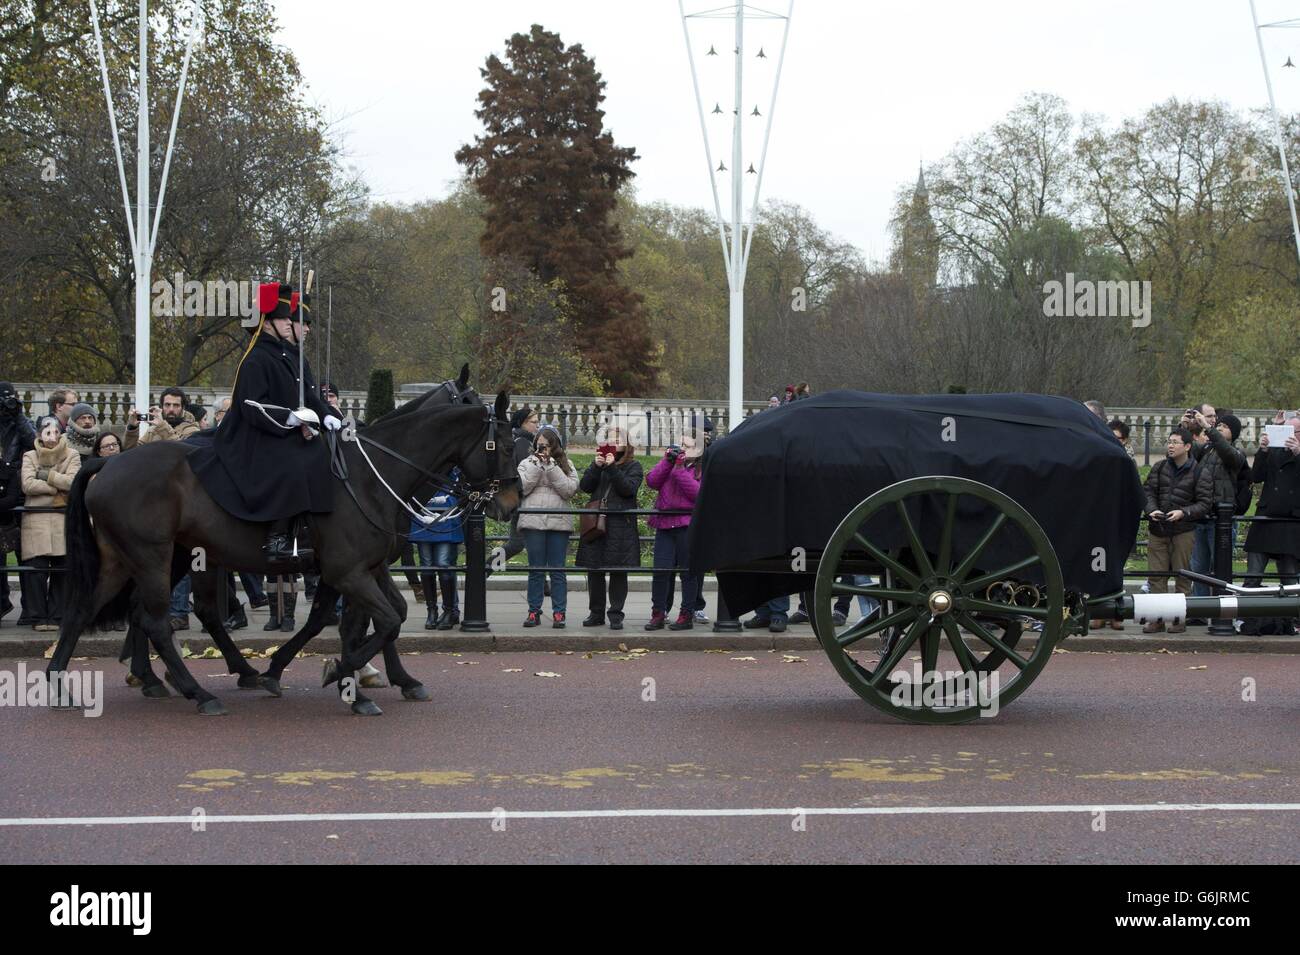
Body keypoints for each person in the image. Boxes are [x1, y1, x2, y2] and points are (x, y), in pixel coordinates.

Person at [187, 282, 339, 563]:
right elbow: (251, 405)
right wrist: (290, 418)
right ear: (266, 323)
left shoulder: (285, 356)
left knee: (318, 454)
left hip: (278, 431)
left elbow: (305, 394)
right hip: (253, 433)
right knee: (292, 463)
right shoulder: (256, 359)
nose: (288, 322)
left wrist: (330, 415)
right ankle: (277, 538)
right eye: (282, 318)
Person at [1141, 426, 1207, 633]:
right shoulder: (1159, 467)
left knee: (1183, 576)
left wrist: (1183, 513)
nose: (1170, 445)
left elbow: (1205, 504)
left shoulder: (1199, 472)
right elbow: (1148, 492)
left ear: (1187, 446)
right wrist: (1151, 509)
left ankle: (1179, 619)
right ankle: (1157, 618)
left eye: (1175, 442)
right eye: (1169, 441)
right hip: (1158, 528)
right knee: (1156, 576)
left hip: (1183, 531)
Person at [576, 427, 643, 630]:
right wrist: (596, 467)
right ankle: (596, 613)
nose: (613, 442)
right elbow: (585, 486)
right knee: (594, 569)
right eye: (610, 438)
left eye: (617, 439)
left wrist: (612, 467)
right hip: (597, 522)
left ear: (627, 443)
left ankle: (615, 614)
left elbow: (628, 490)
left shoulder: (634, 466)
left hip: (620, 525)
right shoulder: (600, 463)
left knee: (618, 571)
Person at [1239, 416, 1300, 634]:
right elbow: (1256, 477)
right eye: (1287, 431)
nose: (1290, 436)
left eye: (1295, 432)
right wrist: (1263, 451)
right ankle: (1245, 617)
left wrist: (1298, 454)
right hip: (1266, 519)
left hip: (1290, 521)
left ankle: (1292, 619)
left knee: (1289, 576)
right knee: (1252, 574)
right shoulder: (1273, 450)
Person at [20, 416, 81, 631]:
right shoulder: (29, 455)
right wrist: (57, 485)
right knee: (36, 570)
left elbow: (74, 483)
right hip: (36, 519)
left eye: (55, 431)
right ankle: (37, 616)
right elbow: (27, 485)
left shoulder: (72, 455)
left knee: (61, 569)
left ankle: (57, 616)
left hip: (62, 519)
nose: (52, 437)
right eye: (46, 431)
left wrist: (45, 475)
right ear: (38, 434)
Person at [1184, 411, 1245, 622]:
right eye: (1219, 425)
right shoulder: (1207, 449)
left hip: (1222, 521)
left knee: (1221, 567)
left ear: (1234, 433)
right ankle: (1200, 613)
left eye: (1225, 426)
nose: (1220, 427)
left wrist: (1208, 428)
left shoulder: (1236, 453)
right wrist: (1185, 427)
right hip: (1202, 515)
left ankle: (1222, 614)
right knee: (1199, 567)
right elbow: (1187, 450)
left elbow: (1227, 454)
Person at [517, 424, 578, 628]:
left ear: (555, 446)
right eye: (539, 445)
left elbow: (569, 490)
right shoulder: (526, 463)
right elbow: (522, 488)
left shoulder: (565, 464)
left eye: (546, 445)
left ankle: (559, 612)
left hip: (558, 522)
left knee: (557, 569)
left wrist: (551, 467)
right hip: (533, 521)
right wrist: (537, 465)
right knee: (536, 569)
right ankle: (533, 611)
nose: (542, 449)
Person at [645, 435, 703, 630]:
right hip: (665, 524)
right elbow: (652, 481)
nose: (683, 449)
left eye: (688, 446)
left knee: (688, 572)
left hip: (687, 525)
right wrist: (666, 462)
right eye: (681, 445)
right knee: (660, 571)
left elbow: (697, 494)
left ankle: (686, 614)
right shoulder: (671, 464)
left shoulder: (700, 469)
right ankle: (658, 613)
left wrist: (679, 470)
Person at [411, 470, 464, 630]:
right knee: (426, 567)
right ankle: (431, 611)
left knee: (443, 564)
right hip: (424, 518)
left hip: (446, 518)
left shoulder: (454, 470)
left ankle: (448, 611)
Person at [0, 382, 35, 624]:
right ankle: (2, 603)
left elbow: (35, 443)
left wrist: (19, 415)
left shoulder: (22, 422)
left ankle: (29, 608)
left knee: (27, 554)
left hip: (20, 492)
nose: (8, 404)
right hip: (1, 492)